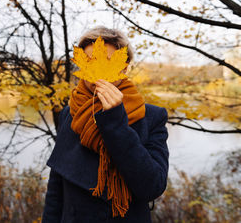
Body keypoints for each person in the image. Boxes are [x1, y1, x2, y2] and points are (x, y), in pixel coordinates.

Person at [41, 26, 169, 222]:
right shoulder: (71, 112)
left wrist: (116, 122)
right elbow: (56, 189)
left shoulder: (151, 117)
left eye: (108, 63)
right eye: (90, 62)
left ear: (124, 68)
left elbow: (152, 186)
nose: (97, 71)